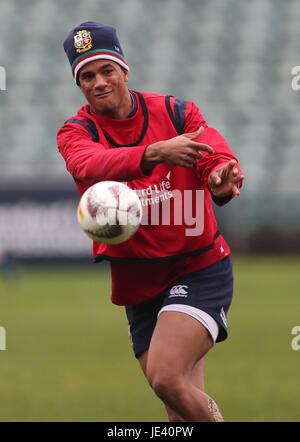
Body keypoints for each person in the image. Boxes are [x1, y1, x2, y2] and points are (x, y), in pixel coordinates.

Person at [57, 21, 244, 422]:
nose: (99, 82)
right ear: (80, 85)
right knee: (179, 409)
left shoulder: (175, 112)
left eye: (107, 69)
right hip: (137, 286)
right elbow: (87, 164)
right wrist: (155, 152)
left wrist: (222, 179)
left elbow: (211, 151)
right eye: (86, 76)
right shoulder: (76, 132)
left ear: (124, 69)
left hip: (198, 267)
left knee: (164, 377)